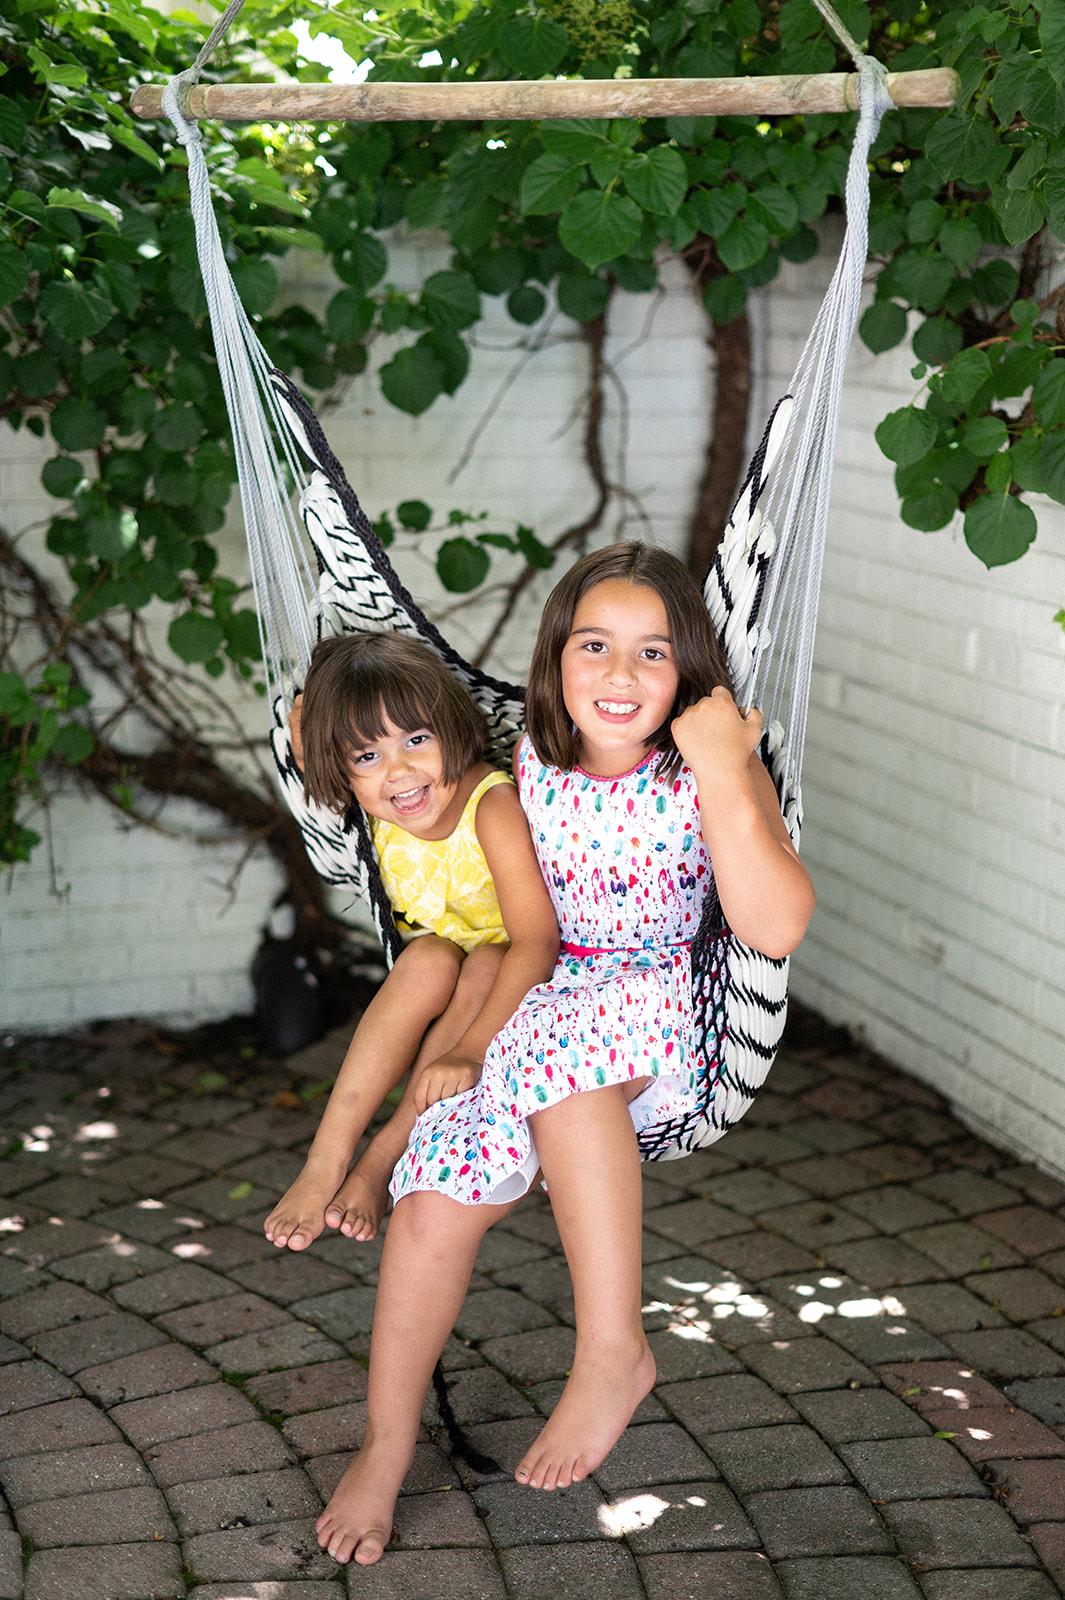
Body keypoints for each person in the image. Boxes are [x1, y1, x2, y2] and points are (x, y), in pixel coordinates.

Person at [315, 543, 816, 1567]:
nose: (620, 676)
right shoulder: (526, 756)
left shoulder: (702, 766)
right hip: (535, 1001)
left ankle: (611, 1351)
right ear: (553, 660)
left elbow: (776, 924)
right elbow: (366, 739)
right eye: (595, 646)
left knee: (567, 1071)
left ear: (689, 672)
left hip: (661, 1009)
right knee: (434, 1197)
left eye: (652, 652)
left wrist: (726, 765)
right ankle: (385, 1440)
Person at [263, 631, 559, 1251]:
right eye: (367, 757)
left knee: (480, 962)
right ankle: (326, 1158)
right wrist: (309, 732)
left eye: (416, 739)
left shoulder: (491, 805)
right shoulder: (377, 806)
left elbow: (537, 941)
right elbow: (321, 758)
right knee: (426, 959)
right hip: (438, 963)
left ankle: (379, 1161)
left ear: (454, 729)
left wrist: (474, 1050)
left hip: (518, 975)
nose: (397, 771)